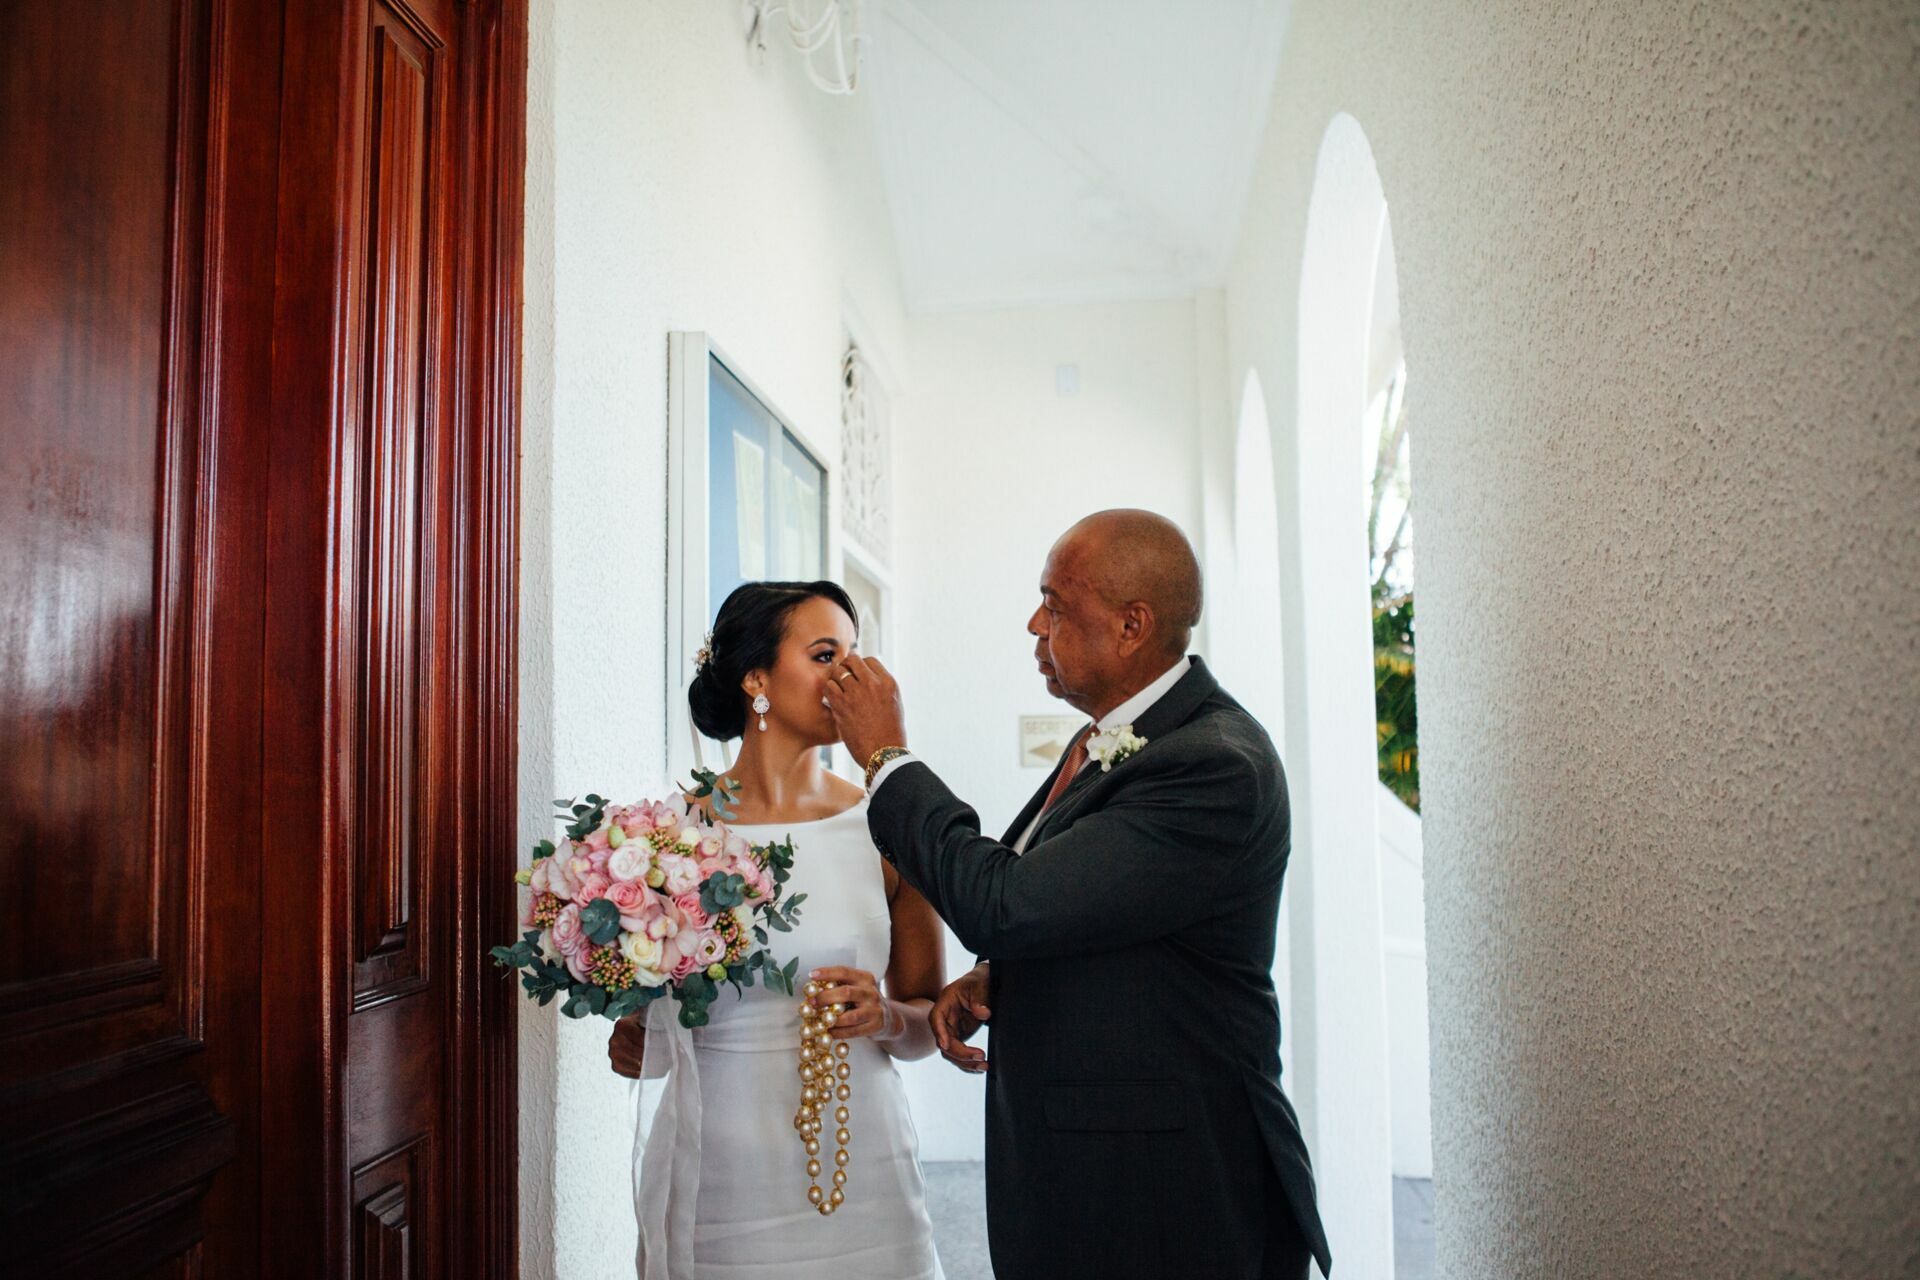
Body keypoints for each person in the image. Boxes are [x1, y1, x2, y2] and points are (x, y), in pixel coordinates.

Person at [824, 509, 1333, 1280]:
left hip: (1167, 1193)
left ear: (1132, 626)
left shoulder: (1211, 765)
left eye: (1056, 606)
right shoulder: (1114, 735)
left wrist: (888, 759)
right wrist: (1003, 976)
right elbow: (1104, 908)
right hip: (1090, 1171)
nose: (1035, 623)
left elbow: (1005, 902)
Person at [606, 580, 946, 1279]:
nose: (852, 676)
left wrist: (883, 1017)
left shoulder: (891, 825)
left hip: (860, 1166)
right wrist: (635, 1029)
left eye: (856, 655)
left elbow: (928, 1025)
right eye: (825, 655)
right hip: (718, 1177)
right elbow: (640, 1048)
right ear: (756, 679)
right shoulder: (666, 838)